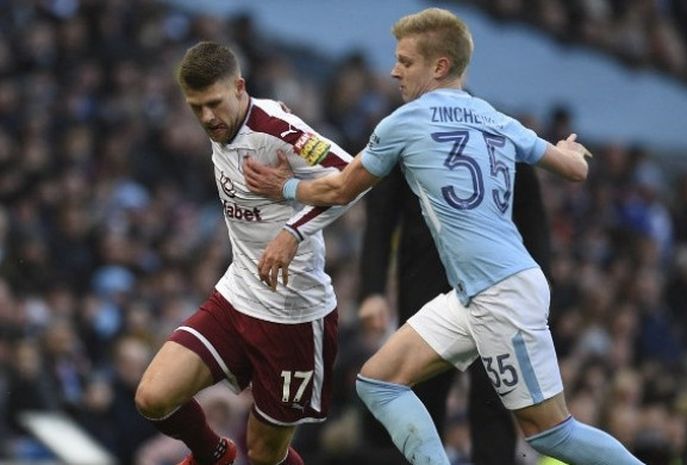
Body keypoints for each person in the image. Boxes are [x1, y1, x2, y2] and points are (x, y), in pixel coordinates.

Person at [243, 8, 645, 465]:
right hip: (473, 294)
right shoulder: (496, 118)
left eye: (406, 61)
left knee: (551, 435)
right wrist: (571, 150)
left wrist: (284, 188)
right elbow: (575, 169)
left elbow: (338, 189)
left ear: (439, 66)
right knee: (378, 381)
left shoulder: (404, 122)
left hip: (501, 294)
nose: (394, 70)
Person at [134, 41, 358, 465]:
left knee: (264, 454)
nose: (206, 117)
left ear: (239, 87)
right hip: (238, 296)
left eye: (214, 104)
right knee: (152, 397)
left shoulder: (276, 129)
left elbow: (350, 176)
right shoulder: (224, 125)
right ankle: (213, 454)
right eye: (196, 107)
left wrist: (292, 225)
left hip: (294, 315)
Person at [358, 160, 550, 465]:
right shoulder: (407, 136)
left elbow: (534, 222)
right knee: (420, 393)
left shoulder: (504, 136)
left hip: (495, 288)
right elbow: (381, 218)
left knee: (496, 396)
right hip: (426, 282)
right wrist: (372, 290)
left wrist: (538, 299)